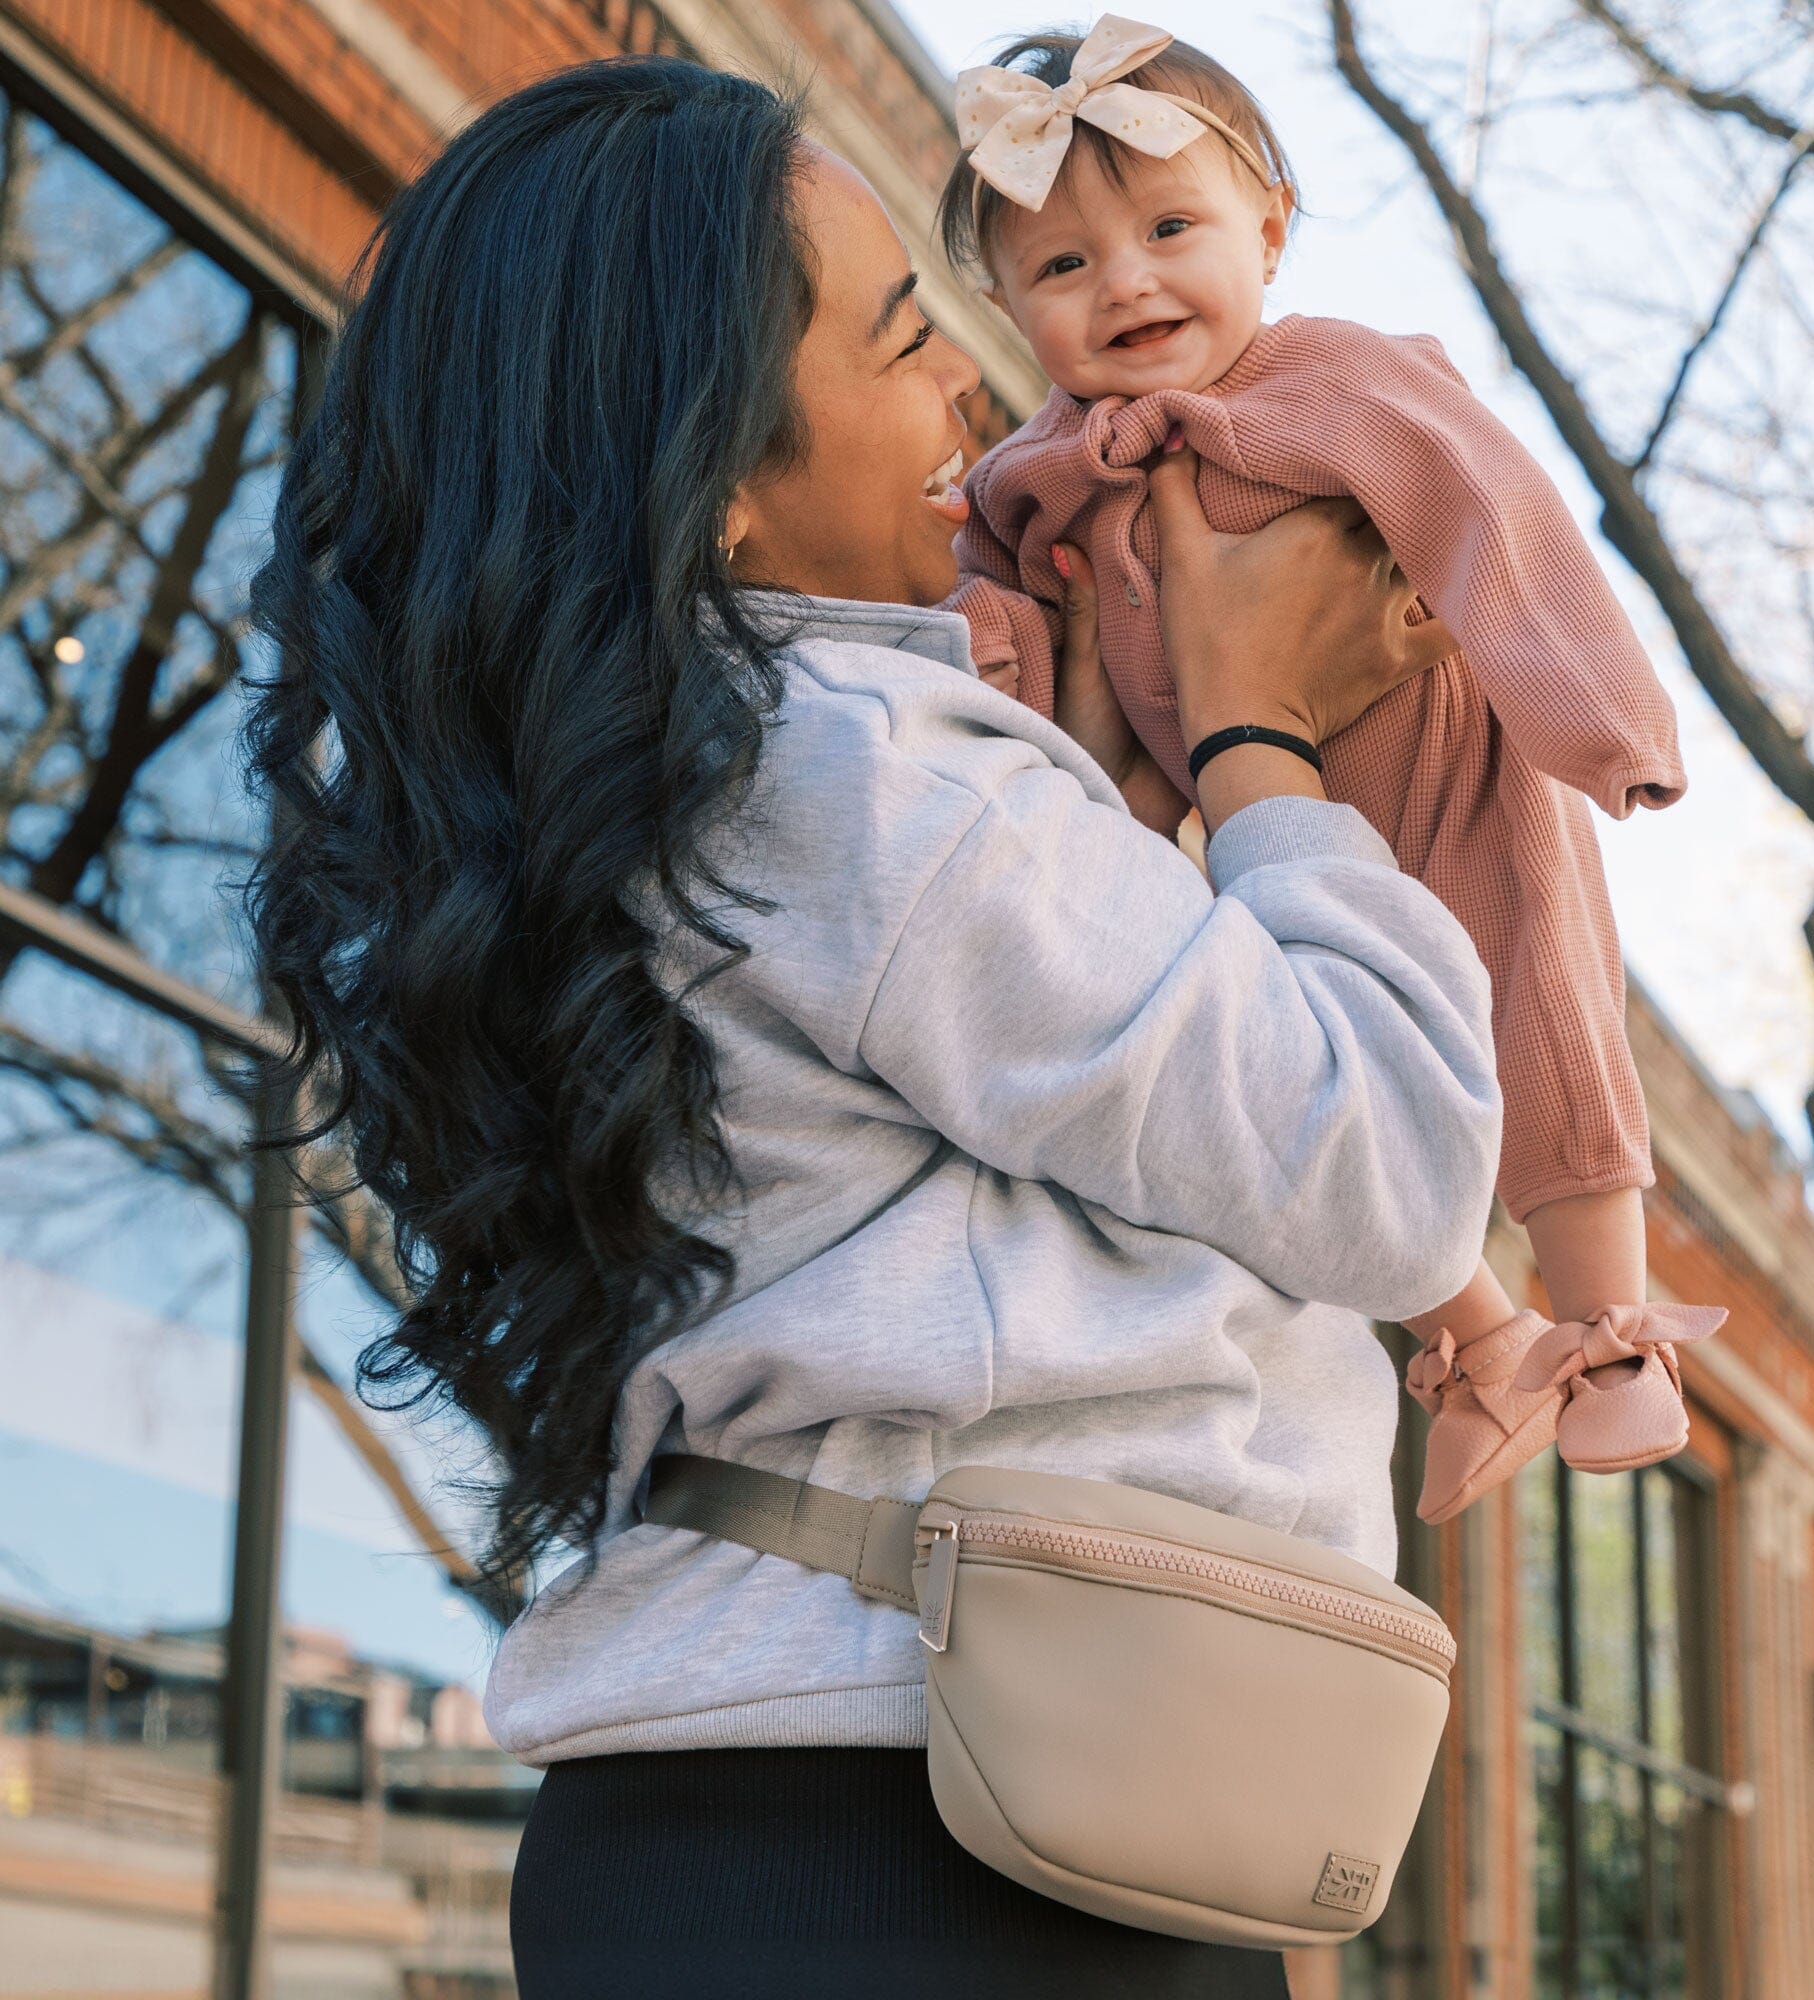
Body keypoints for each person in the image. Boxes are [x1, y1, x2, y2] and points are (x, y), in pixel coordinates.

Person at [244, 54, 1500, 1999]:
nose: (969, 397)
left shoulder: (628, 803)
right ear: (722, 480)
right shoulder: (869, 774)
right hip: (973, 1831)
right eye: (907, 339)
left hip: (715, 1822)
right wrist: (1262, 733)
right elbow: (1391, 1168)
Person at [939, 16, 1728, 1527]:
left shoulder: (1338, 381)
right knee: (1287, 1075)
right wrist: (988, 680)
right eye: (1064, 265)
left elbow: (1490, 514)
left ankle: (1612, 1335)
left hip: (1445, 766)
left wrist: (1602, 717)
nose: (1127, 284)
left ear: (1271, 230)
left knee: (1541, 996)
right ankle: (1482, 1346)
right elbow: (996, 606)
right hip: (1239, 827)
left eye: (1171, 231)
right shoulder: (1029, 471)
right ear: (1002, 301)